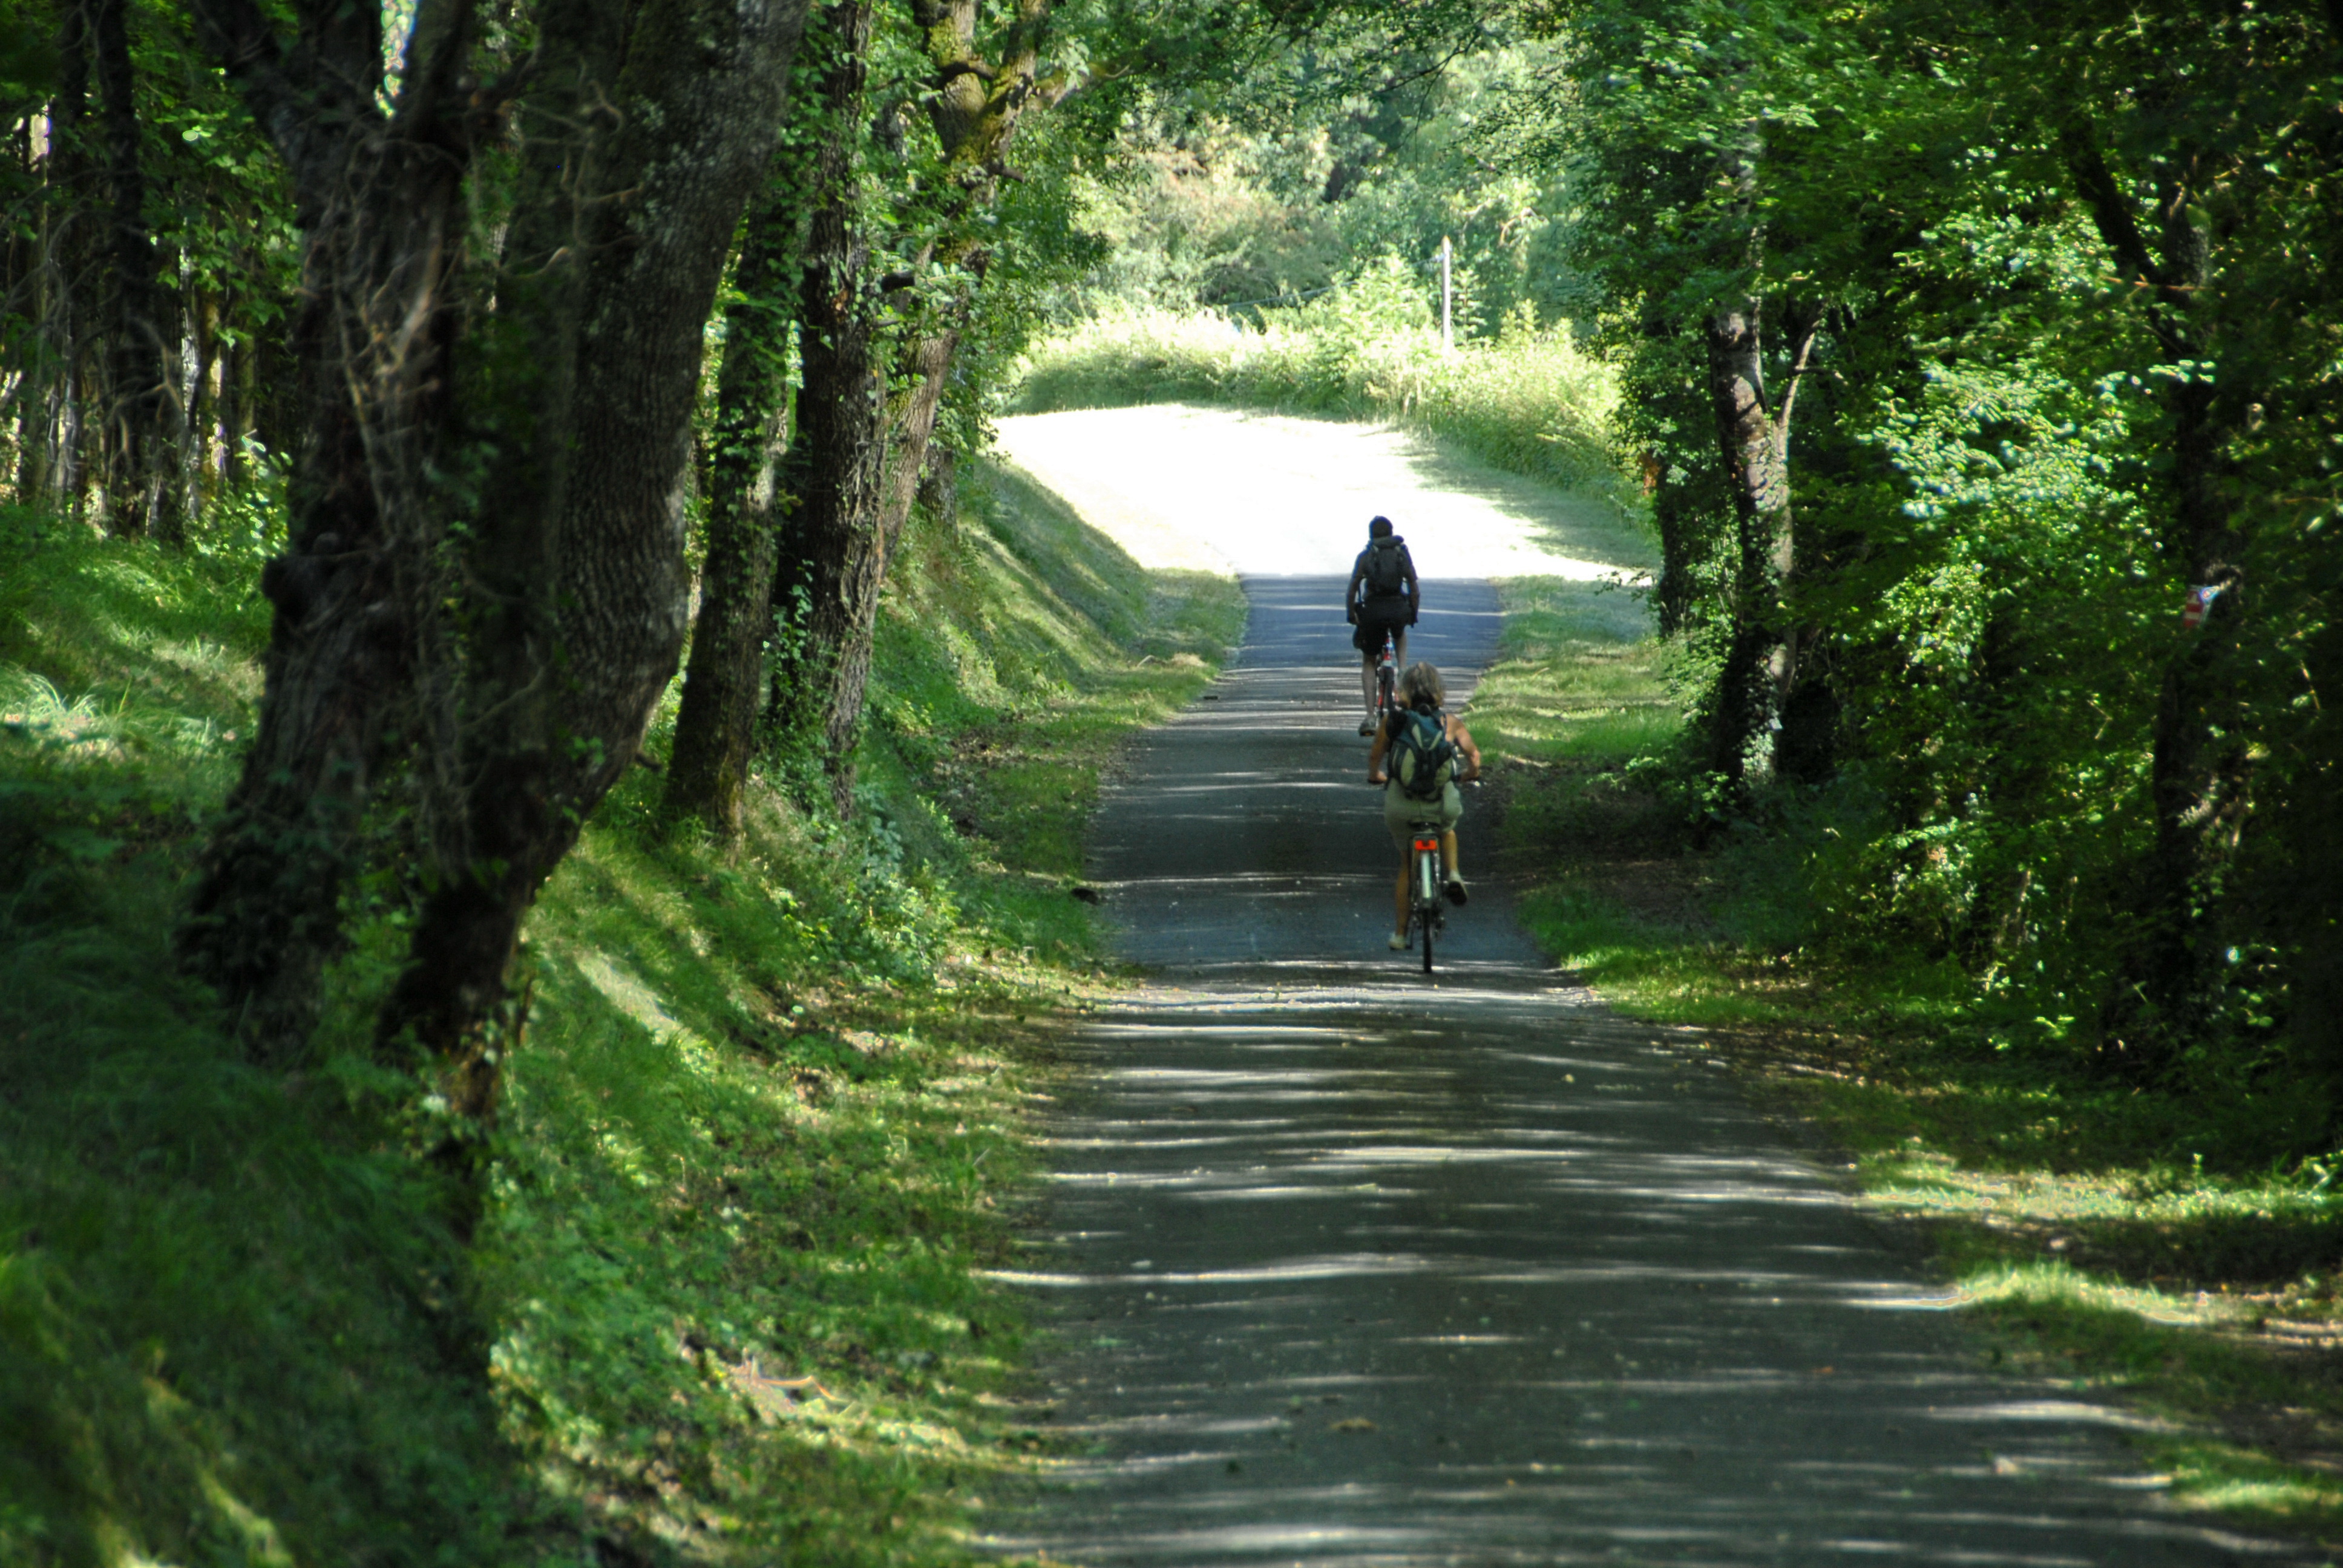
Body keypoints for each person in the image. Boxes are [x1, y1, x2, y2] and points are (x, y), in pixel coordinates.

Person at [1366, 661, 1480, 950]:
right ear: (1439, 692)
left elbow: (1374, 760)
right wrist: (1469, 775)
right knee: (1448, 828)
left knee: (1406, 863)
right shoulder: (1450, 723)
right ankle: (1453, 873)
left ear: (1403, 693)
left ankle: (1401, 934)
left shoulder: (1392, 722)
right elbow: (1474, 757)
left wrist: (1377, 778)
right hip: (1441, 802)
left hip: (1401, 806)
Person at [1345, 515, 1418, 736]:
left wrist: (1351, 614)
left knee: (1369, 660)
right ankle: (1402, 670)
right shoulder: (1401, 554)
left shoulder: (1366, 556)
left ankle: (1370, 717)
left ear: (1371, 535)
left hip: (1373, 612)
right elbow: (1414, 588)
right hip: (1397, 609)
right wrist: (1412, 613)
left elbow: (1352, 589)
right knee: (1400, 634)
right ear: (1391, 532)